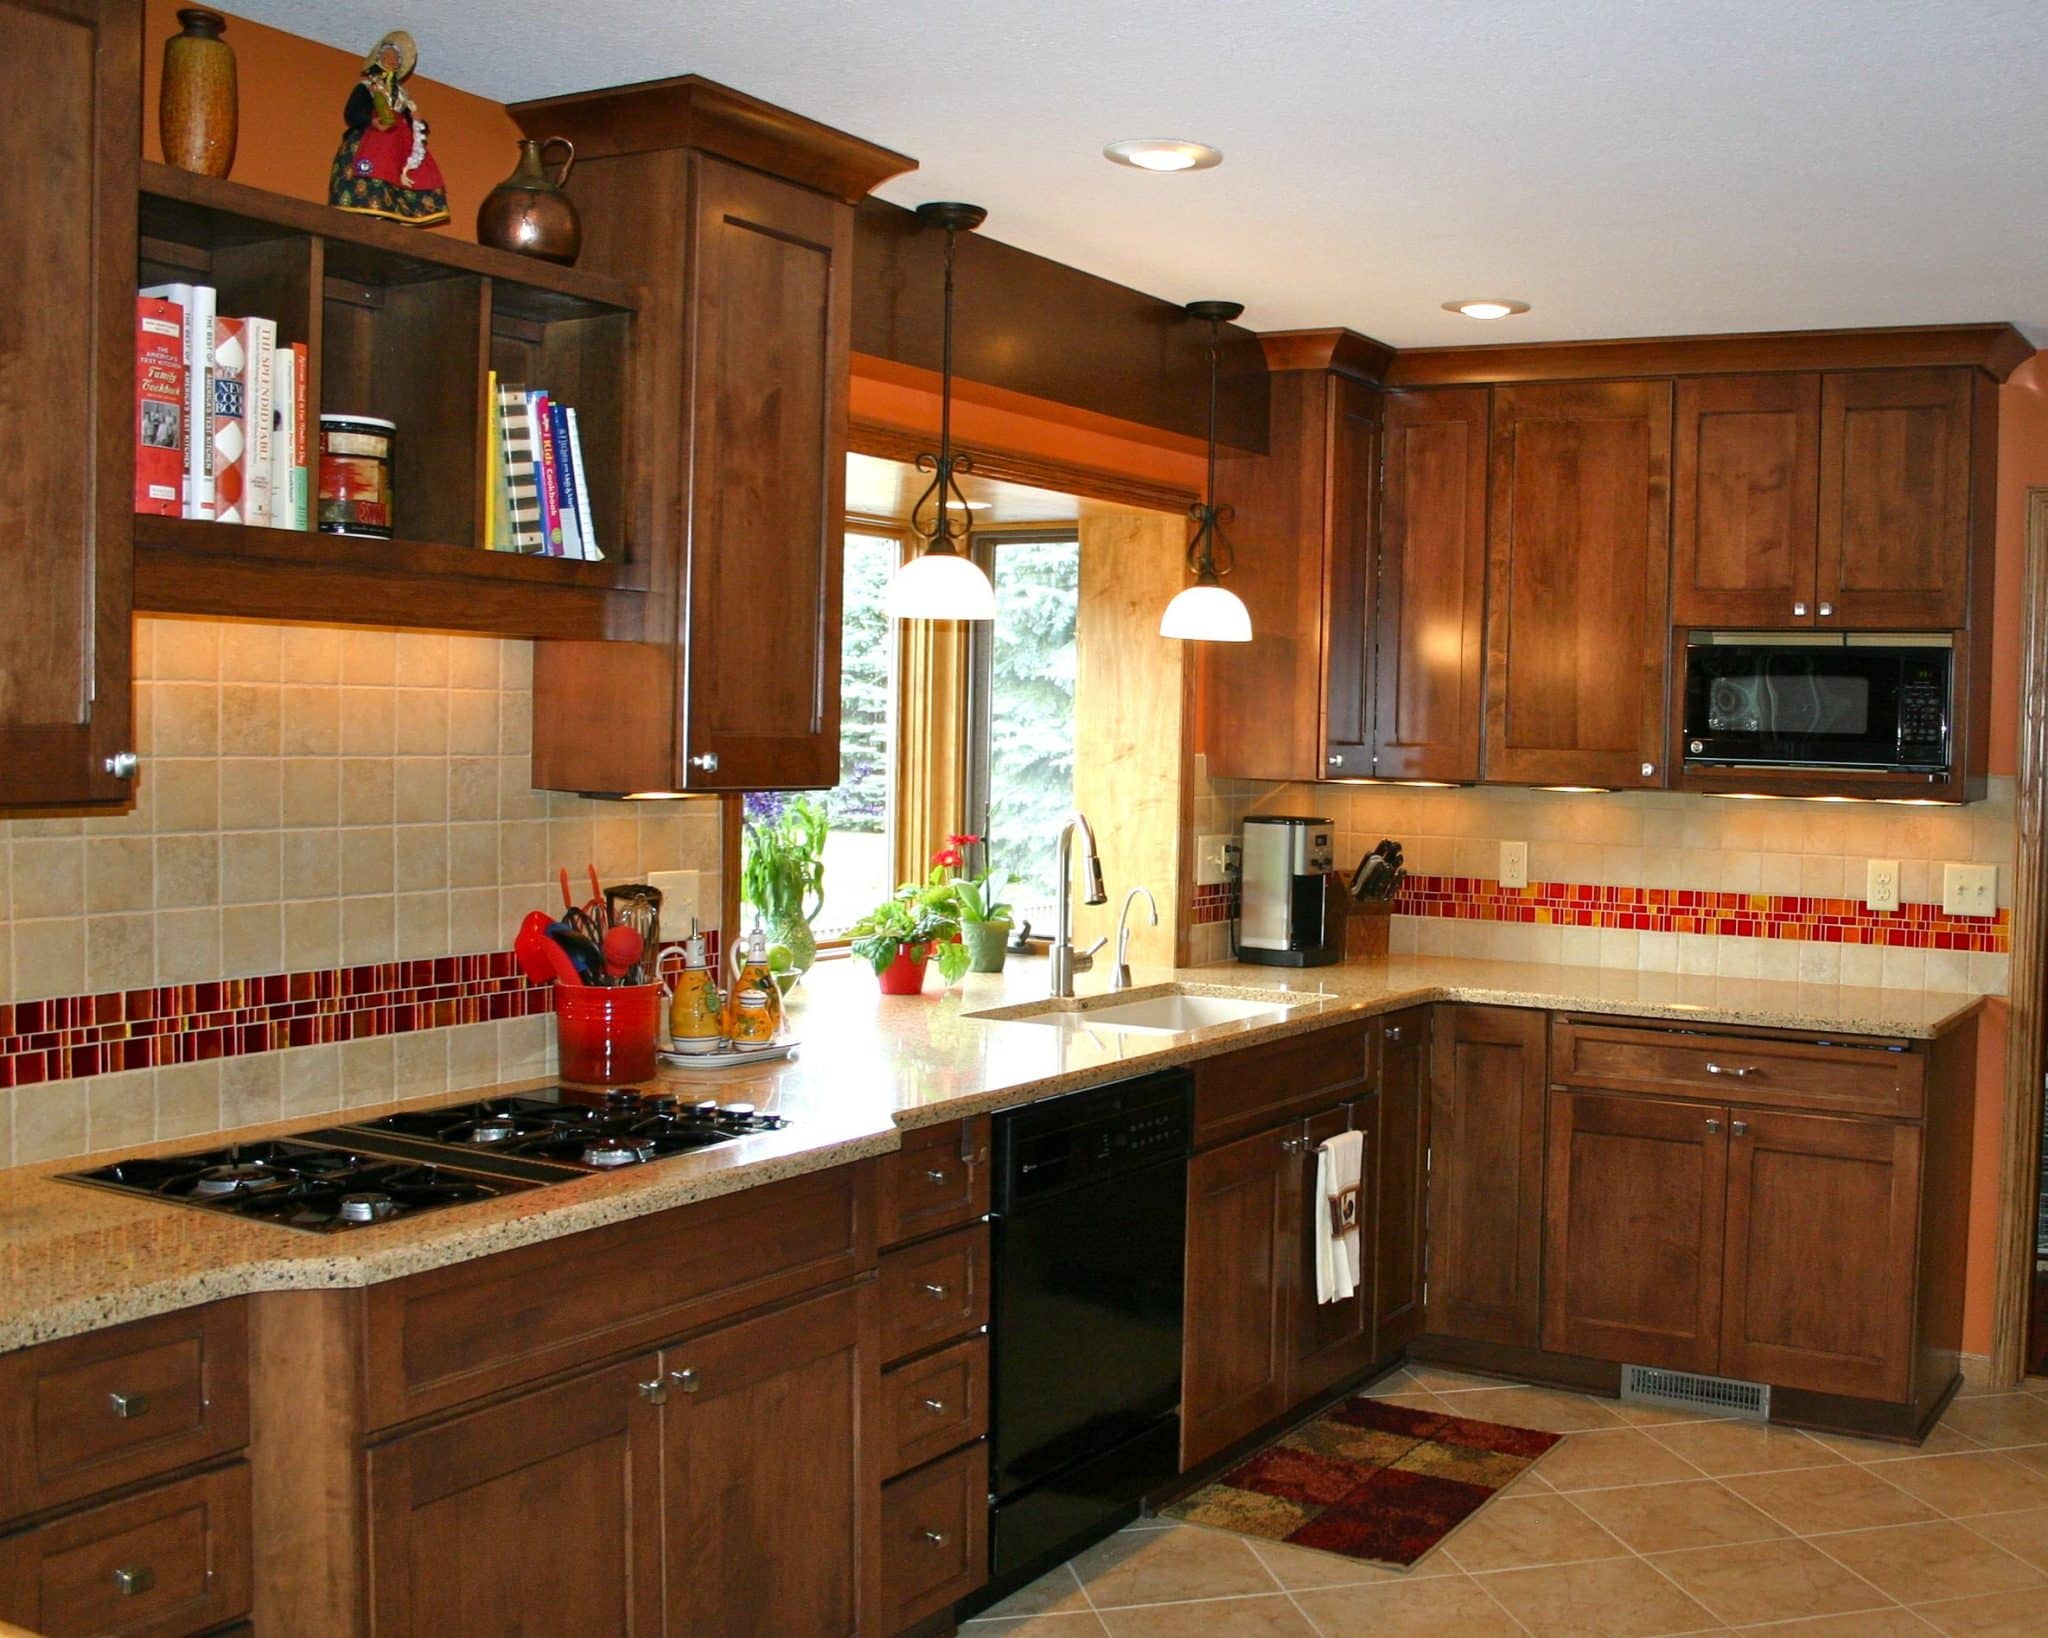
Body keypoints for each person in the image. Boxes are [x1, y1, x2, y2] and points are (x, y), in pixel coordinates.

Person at [328, 31, 449, 227]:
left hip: (397, 143)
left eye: (395, 58)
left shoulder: (402, 95)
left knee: (400, 170)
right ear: (379, 59)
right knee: (370, 167)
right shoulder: (367, 87)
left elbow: (412, 119)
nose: (391, 61)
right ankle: (368, 204)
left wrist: (418, 124)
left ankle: (394, 208)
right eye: (387, 57)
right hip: (373, 140)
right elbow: (353, 112)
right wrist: (372, 121)